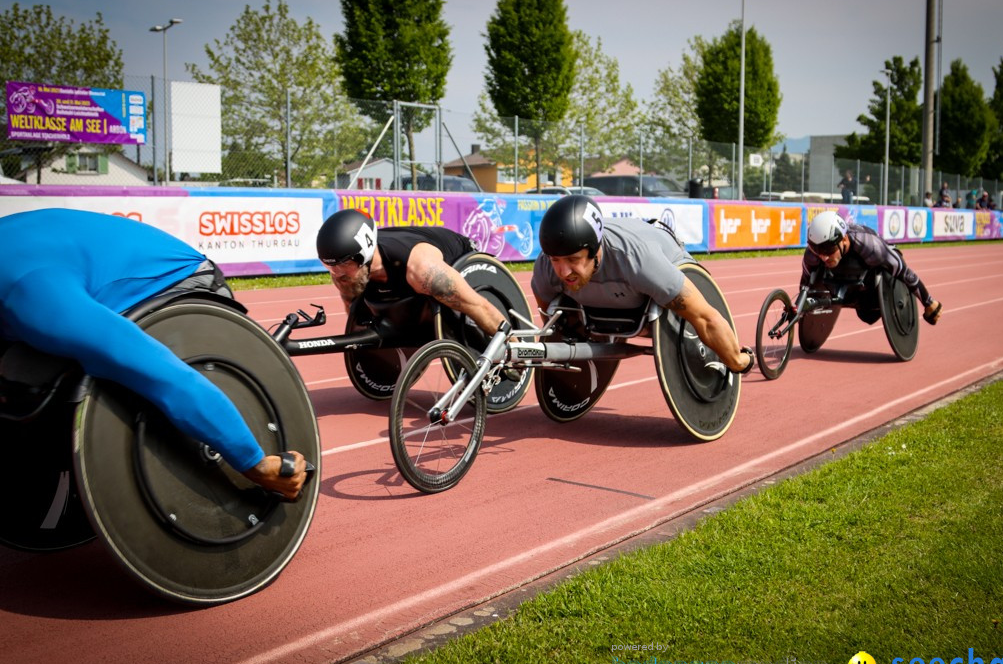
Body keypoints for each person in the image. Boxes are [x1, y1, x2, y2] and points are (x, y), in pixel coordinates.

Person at [0, 208, 307, 499]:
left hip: (178, 278)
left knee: (36, 372)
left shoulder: (36, 301)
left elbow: (164, 375)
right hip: (86, 266)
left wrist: (253, 462)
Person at [530, 195, 753, 375]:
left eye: (573, 259)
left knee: (690, 309)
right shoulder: (545, 266)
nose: (563, 271)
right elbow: (552, 321)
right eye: (555, 260)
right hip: (621, 289)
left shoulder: (638, 261)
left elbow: (705, 318)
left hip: (664, 256)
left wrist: (739, 361)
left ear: (595, 250)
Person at [316, 207, 510, 337]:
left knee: (453, 299)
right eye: (329, 266)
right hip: (401, 271)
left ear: (363, 254)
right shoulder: (345, 270)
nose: (336, 273)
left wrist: (516, 349)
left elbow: (479, 306)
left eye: (342, 264)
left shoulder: (423, 270)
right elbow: (353, 311)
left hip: (460, 256)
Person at [802, 210, 943, 325]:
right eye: (817, 250)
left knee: (867, 316)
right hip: (842, 286)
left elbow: (903, 270)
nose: (824, 256)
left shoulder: (870, 247)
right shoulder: (813, 254)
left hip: (869, 286)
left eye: (828, 250)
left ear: (844, 240)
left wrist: (928, 302)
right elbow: (805, 283)